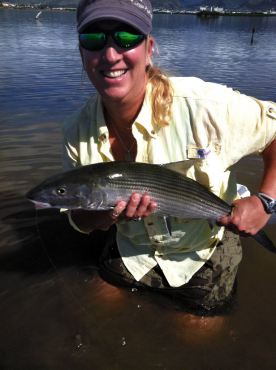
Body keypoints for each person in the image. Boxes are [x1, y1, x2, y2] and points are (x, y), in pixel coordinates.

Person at [63, 0, 276, 316]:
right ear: (82, 52)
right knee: (97, 312)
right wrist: (108, 216)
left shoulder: (205, 105)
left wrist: (266, 201)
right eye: (94, 38)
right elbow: (79, 218)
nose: (110, 54)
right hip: (133, 248)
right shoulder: (75, 132)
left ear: (149, 48)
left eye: (126, 37)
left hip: (204, 248)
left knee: (198, 338)